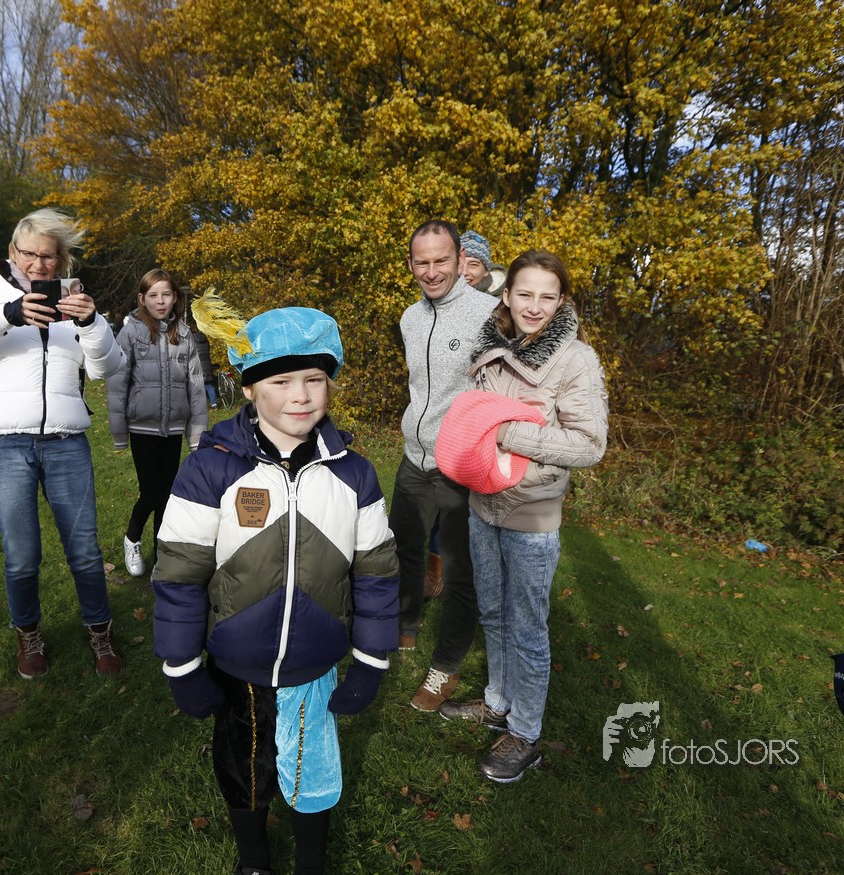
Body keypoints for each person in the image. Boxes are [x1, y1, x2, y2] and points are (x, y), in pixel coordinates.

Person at [153, 304, 399, 875]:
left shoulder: (354, 473)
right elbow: (180, 574)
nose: (301, 396)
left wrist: (370, 660)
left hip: (314, 663)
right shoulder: (210, 469)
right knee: (245, 770)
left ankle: (310, 863)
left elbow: (377, 572)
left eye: (315, 379)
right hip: (237, 666)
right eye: (281, 382)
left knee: (312, 774)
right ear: (249, 388)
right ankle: (254, 861)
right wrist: (181, 666)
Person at [0, 207, 127, 677]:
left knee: (85, 551)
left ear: (62, 258)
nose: (38, 264)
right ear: (13, 251)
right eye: (29, 253)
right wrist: (6, 314)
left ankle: (100, 632)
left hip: (66, 441)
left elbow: (105, 368)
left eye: (48, 256)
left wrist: (92, 324)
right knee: (21, 555)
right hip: (2, 443)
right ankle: (28, 635)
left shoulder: (74, 297)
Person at [437, 250, 608, 783]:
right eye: (525, 293)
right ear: (506, 294)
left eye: (547, 296)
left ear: (561, 302)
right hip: (481, 504)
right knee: (492, 611)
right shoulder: (489, 347)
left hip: (532, 514)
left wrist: (507, 434)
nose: (534, 306)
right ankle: (498, 703)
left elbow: (589, 445)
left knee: (527, 628)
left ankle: (526, 734)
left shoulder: (576, 360)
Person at [393, 220, 496, 712]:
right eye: (422, 262)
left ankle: (445, 667)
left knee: (459, 572)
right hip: (414, 457)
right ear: (411, 264)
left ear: (460, 261)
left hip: (461, 464)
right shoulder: (409, 318)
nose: (432, 271)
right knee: (404, 549)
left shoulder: (490, 314)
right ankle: (404, 625)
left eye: (441, 261)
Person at [106, 269, 207, 578]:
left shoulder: (185, 335)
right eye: (153, 295)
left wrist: (197, 435)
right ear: (142, 299)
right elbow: (117, 384)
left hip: (173, 428)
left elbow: (196, 386)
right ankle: (132, 537)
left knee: (167, 495)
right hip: (143, 427)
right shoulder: (131, 333)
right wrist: (119, 431)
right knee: (151, 492)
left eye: (166, 294)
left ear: (175, 297)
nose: (160, 301)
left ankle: (161, 557)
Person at [191, 315, 219, 409]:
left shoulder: (190, 340)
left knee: (196, 386)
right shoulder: (204, 339)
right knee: (208, 385)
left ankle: (199, 405)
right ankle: (214, 404)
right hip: (207, 364)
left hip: (197, 365)